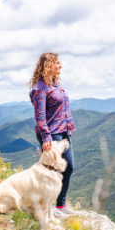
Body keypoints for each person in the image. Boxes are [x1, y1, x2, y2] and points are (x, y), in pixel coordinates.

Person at [29, 52, 76, 209]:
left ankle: (60, 204)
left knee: (69, 167)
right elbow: (40, 116)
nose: (60, 65)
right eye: (57, 63)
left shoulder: (55, 85)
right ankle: (48, 204)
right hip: (51, 133)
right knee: (53, 171)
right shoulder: (40, 89)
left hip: (63, 132)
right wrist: (46, 137)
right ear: (48, 65)